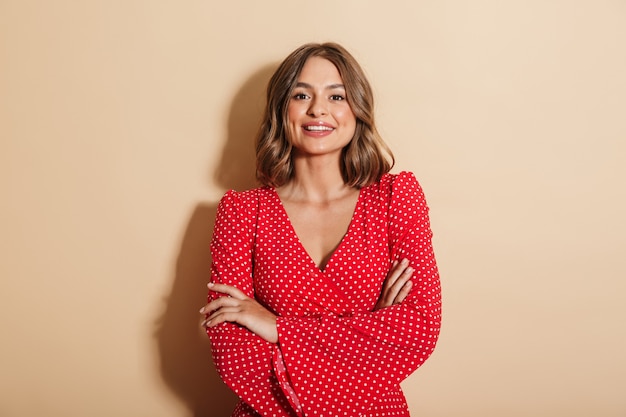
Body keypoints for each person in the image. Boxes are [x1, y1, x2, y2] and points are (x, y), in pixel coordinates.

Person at [200, 42, 442, 417]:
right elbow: (234, 352)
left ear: (357, 110)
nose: (318, 109)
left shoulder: (396, 199)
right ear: (282, 110)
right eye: (301, 94)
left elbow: (418, 328)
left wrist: (278, 328)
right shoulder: (241, 213)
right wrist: (370, 329)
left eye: (337, 95)